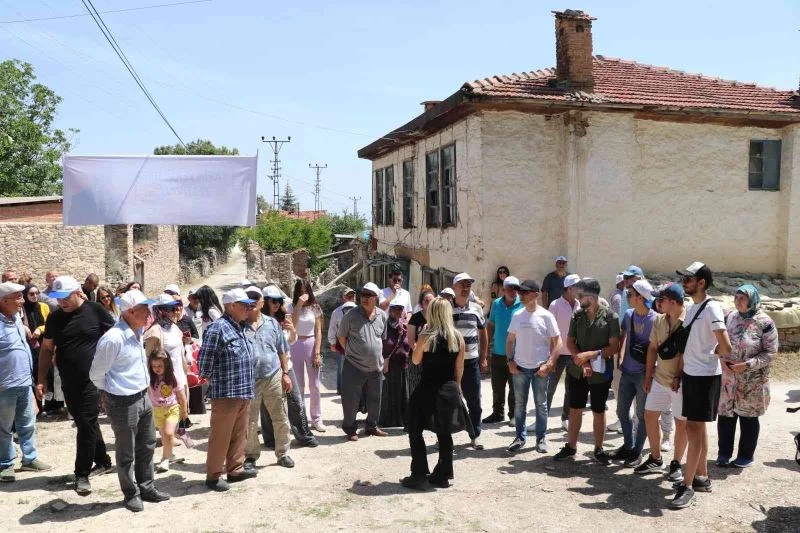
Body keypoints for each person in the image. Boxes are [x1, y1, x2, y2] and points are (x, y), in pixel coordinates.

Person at [90, 289, 171, 512]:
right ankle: (131, 493)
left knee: (147, 444)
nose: (150, 314)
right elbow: (96, 373)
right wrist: (111, 391)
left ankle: (147, 487)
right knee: (126, 451)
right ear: (132, 311)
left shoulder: (138, 331)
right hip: (123, 401)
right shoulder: (113, 339)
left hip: (143, 396)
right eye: (146, 310)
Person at [36, 275, 115, 495]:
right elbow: (46, 350)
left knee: (86, 423)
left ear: (78, 292)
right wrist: (41, 379)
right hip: (68, 382)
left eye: (65, 297)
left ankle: (82, 474)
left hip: (92, 380)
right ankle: (103, 460)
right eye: (58, 298)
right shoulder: (55, 318)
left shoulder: (95, 311)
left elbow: (116, 338)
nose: (61, 302)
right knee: (84, 422)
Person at [670, 262, 732, 509]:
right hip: (692, 375)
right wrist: (680, 373)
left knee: (693, 429)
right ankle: (701, 477)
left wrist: (711, 355)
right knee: (698, 428)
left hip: (704, 376)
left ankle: (687, 486)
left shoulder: (712, 307)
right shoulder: (695, 307)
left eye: (688, 278)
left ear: (701, 282)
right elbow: (688, 347)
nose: (684, 282)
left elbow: (725, 346)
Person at [553, 278, 620, 464]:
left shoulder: (610, 317)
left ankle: (599, 449)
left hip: (600, 374)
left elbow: (614, 347)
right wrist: (583, 362)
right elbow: (570, 342)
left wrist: (591, 354)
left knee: (598, 410)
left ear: (591, 296)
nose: (577, 298)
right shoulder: (578, 315)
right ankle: (571, 447)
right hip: (578, 371)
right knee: (575, 409)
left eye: (580, 295)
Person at [400, 297, 465, 490]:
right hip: (449, 388)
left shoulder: (427, 336)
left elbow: (416, 360)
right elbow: (459, 366)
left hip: (428, 387)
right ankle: (443, 474)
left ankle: (419, 473)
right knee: (444, 433)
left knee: (415, 428)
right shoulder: (457, 337)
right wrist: (458, 386)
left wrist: (422, 339)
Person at [198, 288, 258, 492]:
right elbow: (205, 360)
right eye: (244, 305)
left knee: (240, 433)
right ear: (231, 306)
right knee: (221, 435)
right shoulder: (218, 328)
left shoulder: (239, 327)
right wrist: (208, 377)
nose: (248, 309)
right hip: (226, 393)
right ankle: (213, 475)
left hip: (243, 390)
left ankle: (235, 469)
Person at [717, 284, 779, 469]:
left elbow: (771, 352)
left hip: (752, 382)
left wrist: (747, 365)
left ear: (752, 300)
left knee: (748, 418)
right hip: (728, 379)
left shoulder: (764, 322)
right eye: (736, 298)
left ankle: (745, 455)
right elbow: (718, 341)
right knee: (726, 416)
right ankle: (724, 453)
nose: (738, 302)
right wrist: (720, 358)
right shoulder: (729, 317)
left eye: (742, 299)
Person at [635, 282, 688, 481]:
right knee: (649, 415)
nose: (657, 302)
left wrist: (679, 376)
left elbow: (687, 353)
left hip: (680, 383)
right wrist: (648, 376)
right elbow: (652, 348)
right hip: (660, 378)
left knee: (681, 423)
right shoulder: (659, 319)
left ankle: (676, 464)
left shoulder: (689, 320)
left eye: (661, 299)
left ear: (673, 302)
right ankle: (656, 459)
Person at [0, 281, 52, 482]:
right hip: (4, 386)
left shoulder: (17, 322)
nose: (22, 301)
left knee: (27, 423)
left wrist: (32, 382)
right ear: (4, 301)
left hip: (23, 383)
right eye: (18, 297)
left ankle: (30, 458)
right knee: (3, 427)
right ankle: (5, 464)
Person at [506, 279, 562, 454]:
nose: (521, 295)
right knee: (520, 404)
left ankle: (541, 438)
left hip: (540, 369)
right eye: (520, 292)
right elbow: (509, 341)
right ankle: (520, 438)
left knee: (541, 405)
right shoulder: (517, 315)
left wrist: (550, 363)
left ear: (536, 294)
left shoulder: (546, 316)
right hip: (520, 368)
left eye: (525, 292)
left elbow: (558, 341)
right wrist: (510, 361)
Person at [242, 288, 295, 469]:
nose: (251, 302)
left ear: (262, 302)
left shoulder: (272, 323)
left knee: (280, 416)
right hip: (249, 380)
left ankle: (283, 453)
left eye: (255, 299)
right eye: (247, 299)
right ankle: (250, 456)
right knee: (250, 420)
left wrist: (285, 374)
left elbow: (282, 350)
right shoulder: (239, 325)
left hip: (273, 375)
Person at [260, 285, 318, 448]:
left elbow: (291, 341)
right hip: (268, 368)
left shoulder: (283, 319)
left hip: (287, 365)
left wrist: (292, 330)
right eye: (273, 301)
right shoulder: (258, 322)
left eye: (279, 300)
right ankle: (270, 439)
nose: (277, 304)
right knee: (267, 405)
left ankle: (304, 435)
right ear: (264, 302)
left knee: (296, 401)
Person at [611, 279, 656, 467]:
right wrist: (620, 356)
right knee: (622, 411)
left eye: (630, 295)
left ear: (640, 297)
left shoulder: (656, 319)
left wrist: (648, 376)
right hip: (627, 371)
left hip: (643, 373)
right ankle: (628, 445)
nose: (626, 297)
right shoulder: (628, 315)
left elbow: (655, 348)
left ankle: (637, 451)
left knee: (642, 414)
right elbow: (624, 335)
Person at [337, 282, 388, 441]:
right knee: (351, 399)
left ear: (376, 298)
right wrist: (351, 352)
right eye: (362, 295)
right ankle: (350, 429)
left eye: (368, 296)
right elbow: (341, 337)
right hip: (354, 365)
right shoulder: (350, 316)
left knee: (375, 398)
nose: (364, 298)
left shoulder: (382, 315)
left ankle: (371, 426)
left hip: (376, 367)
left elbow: (382, 339)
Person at [451, 273, 488, 449]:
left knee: (474, 400)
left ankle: (475, 435)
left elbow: (483, 333)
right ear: (454, 287)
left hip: (471, 361)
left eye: (468, 284)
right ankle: (444, 436)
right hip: (450, 363)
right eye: (462, 284)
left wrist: (483, 357)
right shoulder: (445, 308)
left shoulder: (476, 309)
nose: (466, 287)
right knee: (448, 399)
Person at [144, 295, 190, 432]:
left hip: (178, 374)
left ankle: (173, 433)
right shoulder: (154, 332)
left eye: (174, 308)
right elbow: (149, 358)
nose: (174, 312)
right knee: (167, 407)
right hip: (163, 378)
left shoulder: (174, 328)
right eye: (170, 309)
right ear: (161, 311)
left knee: (180, 406)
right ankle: (167, 436)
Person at [483, 275, 522, 426]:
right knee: (497, 386)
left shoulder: (522, 305)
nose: (513, 291)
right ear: (504, 289)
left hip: (516, 354)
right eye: (510, 288)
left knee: (514, 387)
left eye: (516, 288)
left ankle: (514, 415)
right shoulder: (496, 304)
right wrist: (486, 350)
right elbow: (491, 325)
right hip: (498, 351)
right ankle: (497, 413)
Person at [288, 279, 325, 432]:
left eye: (306, 291)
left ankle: (316, 418)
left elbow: (318, 331)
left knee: (314, 385)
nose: (303, 294)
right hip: (294, 344)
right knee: (299, 385)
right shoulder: (290, 307)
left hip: (310, 343)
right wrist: (298, 305)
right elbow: (292, 325)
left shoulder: (315, 307)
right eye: (300, 291)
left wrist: (317, 352)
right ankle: (300, 419)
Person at [547, 273, 581, 431]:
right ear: (568, 288)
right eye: (577, 286)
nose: (580, 289)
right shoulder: (554, 305)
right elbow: (549, 332)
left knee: (571, 389)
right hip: (558, 353)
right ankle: (542, 418)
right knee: (549, 387)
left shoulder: (580, 304)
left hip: (574, 353)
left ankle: (565, 418)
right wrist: (550, 357)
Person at [147, 353, 187, 474]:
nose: (156, 368)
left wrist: (184, 411)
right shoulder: (150, 378)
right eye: (154, 366)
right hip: (157, 410)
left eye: (160, 365)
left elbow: (181, 395)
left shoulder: (173, 377)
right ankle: (171, 454)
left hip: (172, 408)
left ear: (167, 365)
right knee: (164, 436)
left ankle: (165, 459)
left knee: (169, 433)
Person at [379, 302, 412, 428]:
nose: (398, 311)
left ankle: (402, 419)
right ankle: (387, 420)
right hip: (389, 365)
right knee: (388, 392)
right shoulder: (384, 325)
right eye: (395, 309)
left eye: (400, 309)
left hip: (402, 365)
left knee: (402, 392)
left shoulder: (405, 326)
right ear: (390, 310)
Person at [21, 284, 49, 409]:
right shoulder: (21, 309)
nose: (35, 296)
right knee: (32, 373)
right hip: (28, 345)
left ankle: (49, 404)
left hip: (43, 343)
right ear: (26, 295)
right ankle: (36, 407)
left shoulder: (43, 306)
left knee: (45, 372)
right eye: (31, 294)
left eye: (37, 293)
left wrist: (40, 329)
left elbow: (49, 324)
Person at [327, 288, 357, 394]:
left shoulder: (359, 310)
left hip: (355, 343)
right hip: (341, 341)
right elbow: (332, 328)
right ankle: (340, 388)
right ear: (343, 298)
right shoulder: (337, 312)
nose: (351, 298)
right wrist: (332, 343)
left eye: (352, 296)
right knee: (342, 366)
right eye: (348, 296)